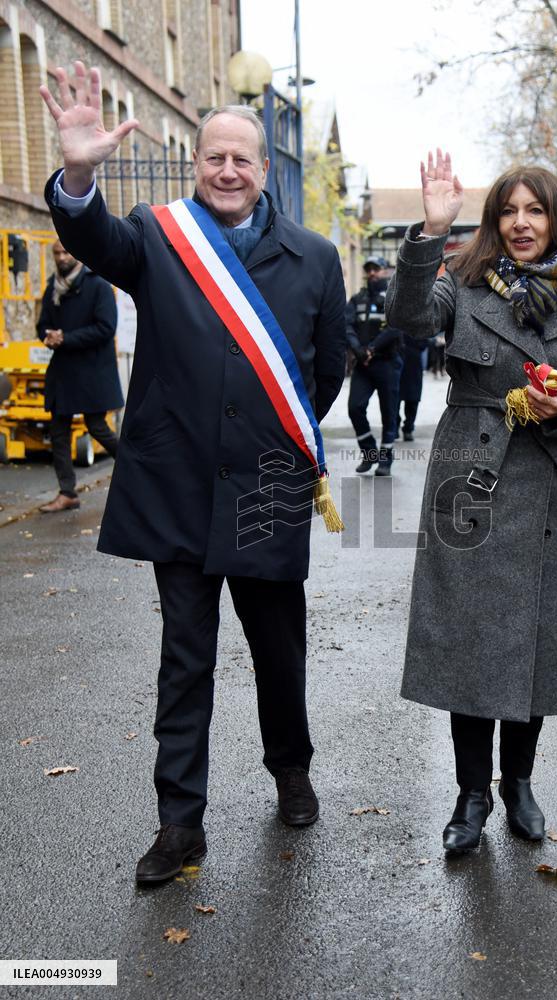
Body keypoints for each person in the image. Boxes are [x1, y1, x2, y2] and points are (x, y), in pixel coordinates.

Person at [40, 62, 346, 883]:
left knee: (278, 650)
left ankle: (291, 768)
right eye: (215, 157)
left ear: (265, 169)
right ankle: (180, 821)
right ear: (196, 164)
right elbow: (93, 239)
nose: (228, 170)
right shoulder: (157, 235)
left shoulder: (315, 257)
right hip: (176, 486)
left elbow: (327, 370)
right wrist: (78, 174)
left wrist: (273, 434)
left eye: (242, 158)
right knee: (185, 658)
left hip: (268, 486)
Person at [385, 152, 557, 853]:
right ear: (492, 221)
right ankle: (471, 793)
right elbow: (407, 319)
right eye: (509, 211)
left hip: (551, 482)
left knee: (537, 642)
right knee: (470, 641)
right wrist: (432, 230)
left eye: (534, 210)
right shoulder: (462, 283)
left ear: (556, 220)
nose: (521, 223)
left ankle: (518, 783)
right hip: (472, 477)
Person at [36, 239, 122, 512]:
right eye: (56, 253)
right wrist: (47, 336)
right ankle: (67, 493)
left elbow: (106, 328)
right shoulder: (53, 286)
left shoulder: (98, 285)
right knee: (58, 432)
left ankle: (137, 470)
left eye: (65, 252)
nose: (61, 258)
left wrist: (66, 338)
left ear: (75, 253)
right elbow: (42, 324)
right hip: (63, 373)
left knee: (97, 428)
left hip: (92, 372)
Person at [346, 256, 403, 475]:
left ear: (385, 271)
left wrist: (372, 348)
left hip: (387, 362)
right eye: (368, 269)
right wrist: (358, 350)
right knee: (355, 408)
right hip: (363, 364)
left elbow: (395, 327)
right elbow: (347, 326)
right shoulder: (357, 299)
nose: (372, 273)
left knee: (389, 412)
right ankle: (369, 453)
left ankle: (385, 460)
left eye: (376, 269)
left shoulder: (394, 297)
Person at [397, 333, 427, 440]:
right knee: (394, 399)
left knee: (413, 400)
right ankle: (394, 426)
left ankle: (408, 429)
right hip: (397, 364)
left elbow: (424, 343)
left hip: (414, 365)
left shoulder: (419, 327)